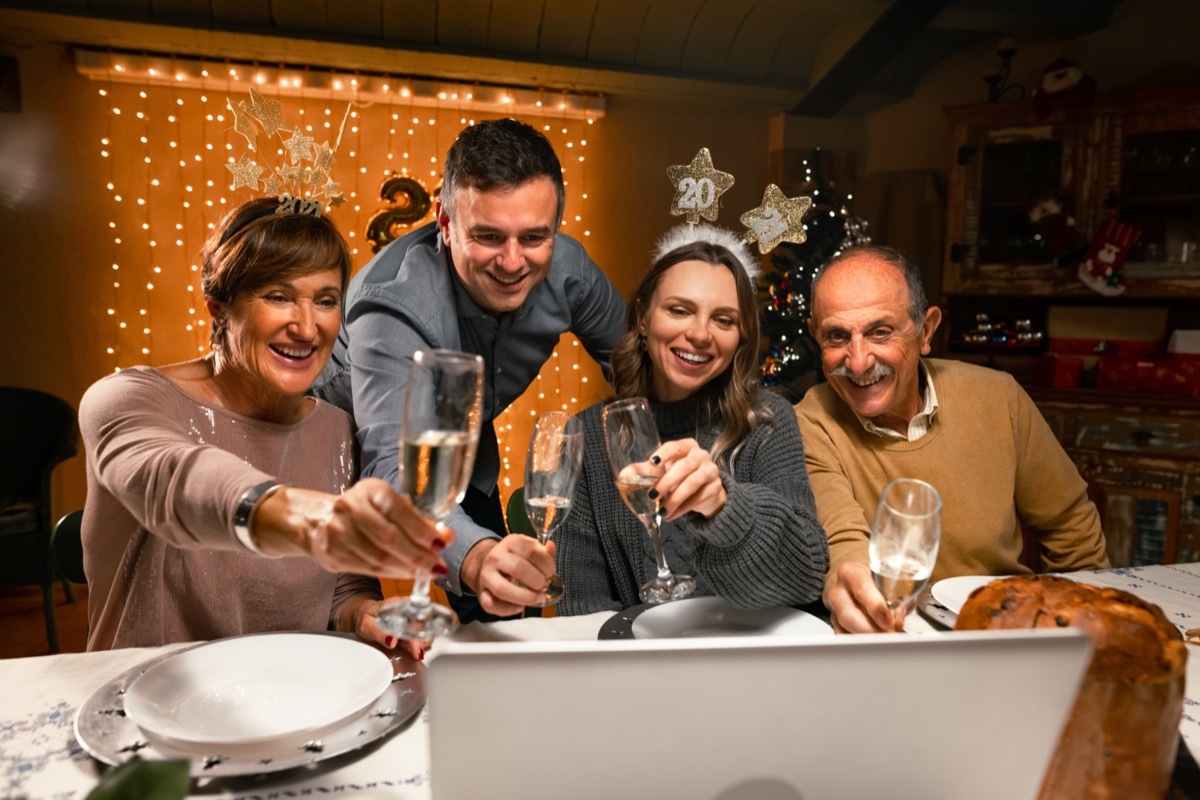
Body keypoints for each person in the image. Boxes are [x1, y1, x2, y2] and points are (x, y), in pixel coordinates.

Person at [79, 196, 450, 653]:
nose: (308, 328)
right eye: (278, 297)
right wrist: (313, 520)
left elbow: (340, 592)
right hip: (142, 703)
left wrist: (363, 614)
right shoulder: (127, 399)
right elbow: (173, 481)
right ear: (219, 309)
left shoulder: (336, 429)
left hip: (284, 701)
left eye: (326, 301)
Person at [313, 118, 625, 621]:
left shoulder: (568, 270)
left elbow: (638, 367)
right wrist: (474, 556)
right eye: (487, 236)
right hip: (339, 455)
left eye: (534, 237)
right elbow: (394, 464)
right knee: (339, 620)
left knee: (501, 613)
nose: (511, 261)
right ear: (444, 221)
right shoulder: (390, 304)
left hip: (462, 446)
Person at [794, 244, 1109, 634]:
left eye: (881, 332)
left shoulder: (999, 398)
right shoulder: (809, 423)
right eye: (837, 337)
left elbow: (1070, 526)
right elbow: (843, 542)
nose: (858, 362)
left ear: (925, 331)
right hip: (887, 637)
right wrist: (854, 592)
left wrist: (1078, 636)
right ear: (815, 337)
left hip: (1003, 632)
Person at [551, 224, 829, 615]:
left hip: (749, 663)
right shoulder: (588, 436)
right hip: (635, 666)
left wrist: (725, 507)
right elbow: (582, 605)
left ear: (741, 338)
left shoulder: (767, 421)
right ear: (644, 318)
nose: (700, 334)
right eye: (679, 310)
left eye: (724, 320)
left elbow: (807, 577)